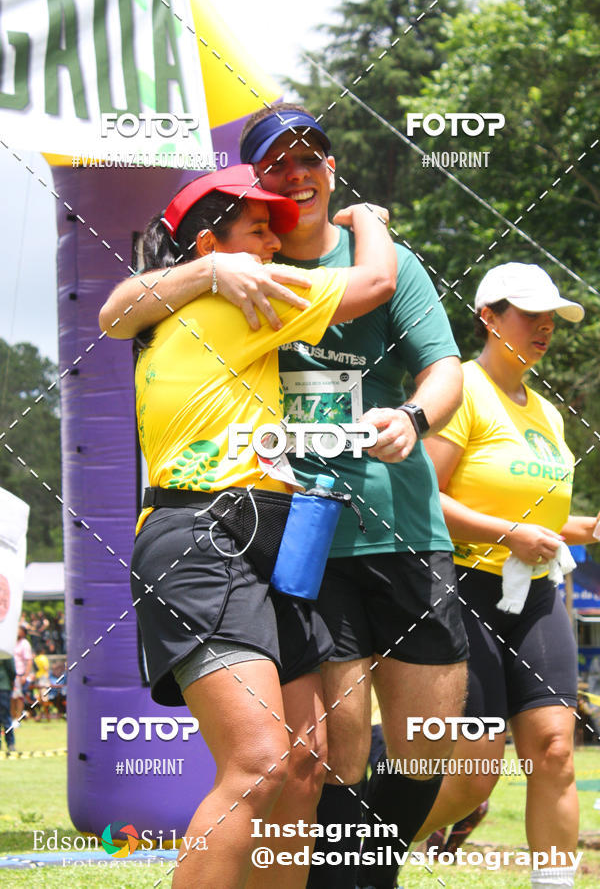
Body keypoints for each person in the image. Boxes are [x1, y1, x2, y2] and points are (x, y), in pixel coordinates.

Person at [100, 104, 468, 889]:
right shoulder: (243, 293)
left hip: (287, 541)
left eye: (314, 158)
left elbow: (116, 307)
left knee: (303, 765)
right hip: (215, 534)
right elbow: (371, 280)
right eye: (256, 222)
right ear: (215, 241)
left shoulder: (232, 286)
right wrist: (369, 221)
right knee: (272, 764)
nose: (270, 236)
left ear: (331, 167)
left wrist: (410, 416)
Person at [413, 263, 600, 889]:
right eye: (529, 314)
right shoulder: (457, 389)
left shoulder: (548, 412)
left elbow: (533, 515)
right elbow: (425, 498)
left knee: (553, 750)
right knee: (470, 777)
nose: (545, 327)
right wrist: (508, 534)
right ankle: (357, 849)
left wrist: (586, 527)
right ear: (488, 317)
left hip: (538, 590)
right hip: (462, 588)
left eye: (552, 317)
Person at [11, 624, 33, 726]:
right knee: (11, 697)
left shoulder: (25, 644)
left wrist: (25, 675)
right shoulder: (12, 642)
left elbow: (29, 661)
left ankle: (17, 718)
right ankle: (11, 717)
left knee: (19, 697)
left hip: (20, 674)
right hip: (11, 673)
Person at [0, 657, 16, 752]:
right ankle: (10, 744)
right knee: (6, 717)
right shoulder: (5, 649)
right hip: (3, 686)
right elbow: (11, 669)